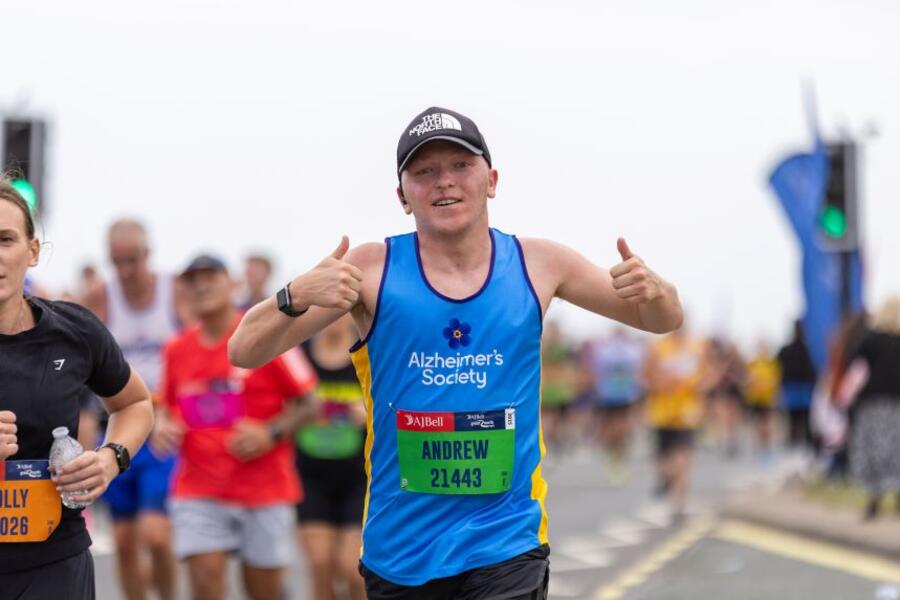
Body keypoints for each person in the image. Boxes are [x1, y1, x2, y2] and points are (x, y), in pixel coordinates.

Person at [228, 106, 683, 598]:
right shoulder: (371, 268)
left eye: (460, 166)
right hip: (400, 546)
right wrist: (294, 294)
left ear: (491, 179)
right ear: (403, 196)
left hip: (507, 538)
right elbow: (244, 350)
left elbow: (658, 319)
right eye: (425, 172)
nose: (445, 182)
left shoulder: (540, 263)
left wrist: (657, 292)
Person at [0, 179, 154, 599]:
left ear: (32, 252)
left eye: (5, 239)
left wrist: (111, 457)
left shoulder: (74, 330)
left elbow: (136, 403)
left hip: (54, 563)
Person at [152, 254, 318, 600]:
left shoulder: (264, 334)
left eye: (210, 277)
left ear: (232, 284)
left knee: (264, 592)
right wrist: (164, 426)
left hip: (264, 488)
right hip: (199, 488)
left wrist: (269, 433)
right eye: (192, 280)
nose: (201, 286)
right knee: (205, 582)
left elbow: (310, 402)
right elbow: (165, 407)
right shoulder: (176, 349)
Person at [83, 219, 186, 600]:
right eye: (117, 261)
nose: (125, 271)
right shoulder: (100, 297)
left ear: (149, 253)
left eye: (133, 260)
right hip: (117, 426)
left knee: (157, 536)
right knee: (125, 541)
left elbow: (193, 351)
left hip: (161, 428)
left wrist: (170, 409)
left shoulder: (173, 291)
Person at [295, 314, 367, 600]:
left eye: (340, 310)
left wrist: (367, 414)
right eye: (326, 309)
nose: (333, 317)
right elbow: (280, 404)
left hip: (358, 478)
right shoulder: (300, 357)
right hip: (311, 477)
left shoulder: (367, 353)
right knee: (320, 564)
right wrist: (302, 412)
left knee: (352, 570)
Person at [844, 297, 900, 520]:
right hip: (897, 402)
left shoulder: (871, 339)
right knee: (896, 447)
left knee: (874, 448)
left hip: (872, 401)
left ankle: (874, 498)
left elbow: (853, 362)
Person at [644, 325, 708, 518]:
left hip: (687, 414)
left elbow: (705, 377)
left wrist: (695, 388)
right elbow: (646, 376)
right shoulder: (658, 348)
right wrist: (662, 384)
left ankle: (678, 503)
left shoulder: (696, 348)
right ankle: (667, 480)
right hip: (662, 413)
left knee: (683, 460)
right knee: (665, 461)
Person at [585, 326, 645, 485]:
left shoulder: (633, 351)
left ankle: (619, 456)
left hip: (625, 396)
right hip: (607, 396)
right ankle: (611, 454)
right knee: (610, 430)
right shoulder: (604, 351)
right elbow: (594, 371)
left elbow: (639, 372)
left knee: (622, 429)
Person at [777, 320, 818, 456]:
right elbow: (812, 371)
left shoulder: (786, 350)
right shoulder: (806, 349)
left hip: (794, 390)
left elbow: (779, 369)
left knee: (793, 420)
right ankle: (804, 449)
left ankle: (795, 448)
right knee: (804, 420)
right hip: (801, 390)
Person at [539, 321, 578, 457]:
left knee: (556, 418)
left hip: (557, 388)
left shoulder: (556, 347)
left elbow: (567, 367)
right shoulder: (554, 347)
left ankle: (553, 441)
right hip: (551, 388)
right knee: (552, 417)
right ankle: (551, 442)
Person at [742, 340, 780, 461]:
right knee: (757, 425)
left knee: (765, 425)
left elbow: (775, 382)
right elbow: (747, 380)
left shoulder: (772, 364)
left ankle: (765, 448)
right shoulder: (753, 363)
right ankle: (758, 449)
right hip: (755, 399)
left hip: (766, 399)